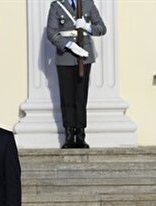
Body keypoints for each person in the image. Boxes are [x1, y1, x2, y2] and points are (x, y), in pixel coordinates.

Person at [46, 0, 106, 148]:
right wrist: (69, 45)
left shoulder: (88, 3)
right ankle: (68, 135)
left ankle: (80, 134)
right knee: (67, 97)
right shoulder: (57, 5)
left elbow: (102, 28)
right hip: (65, 55)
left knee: (81, 96)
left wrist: (87, 27)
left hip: (84, 57)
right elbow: (51, 32)